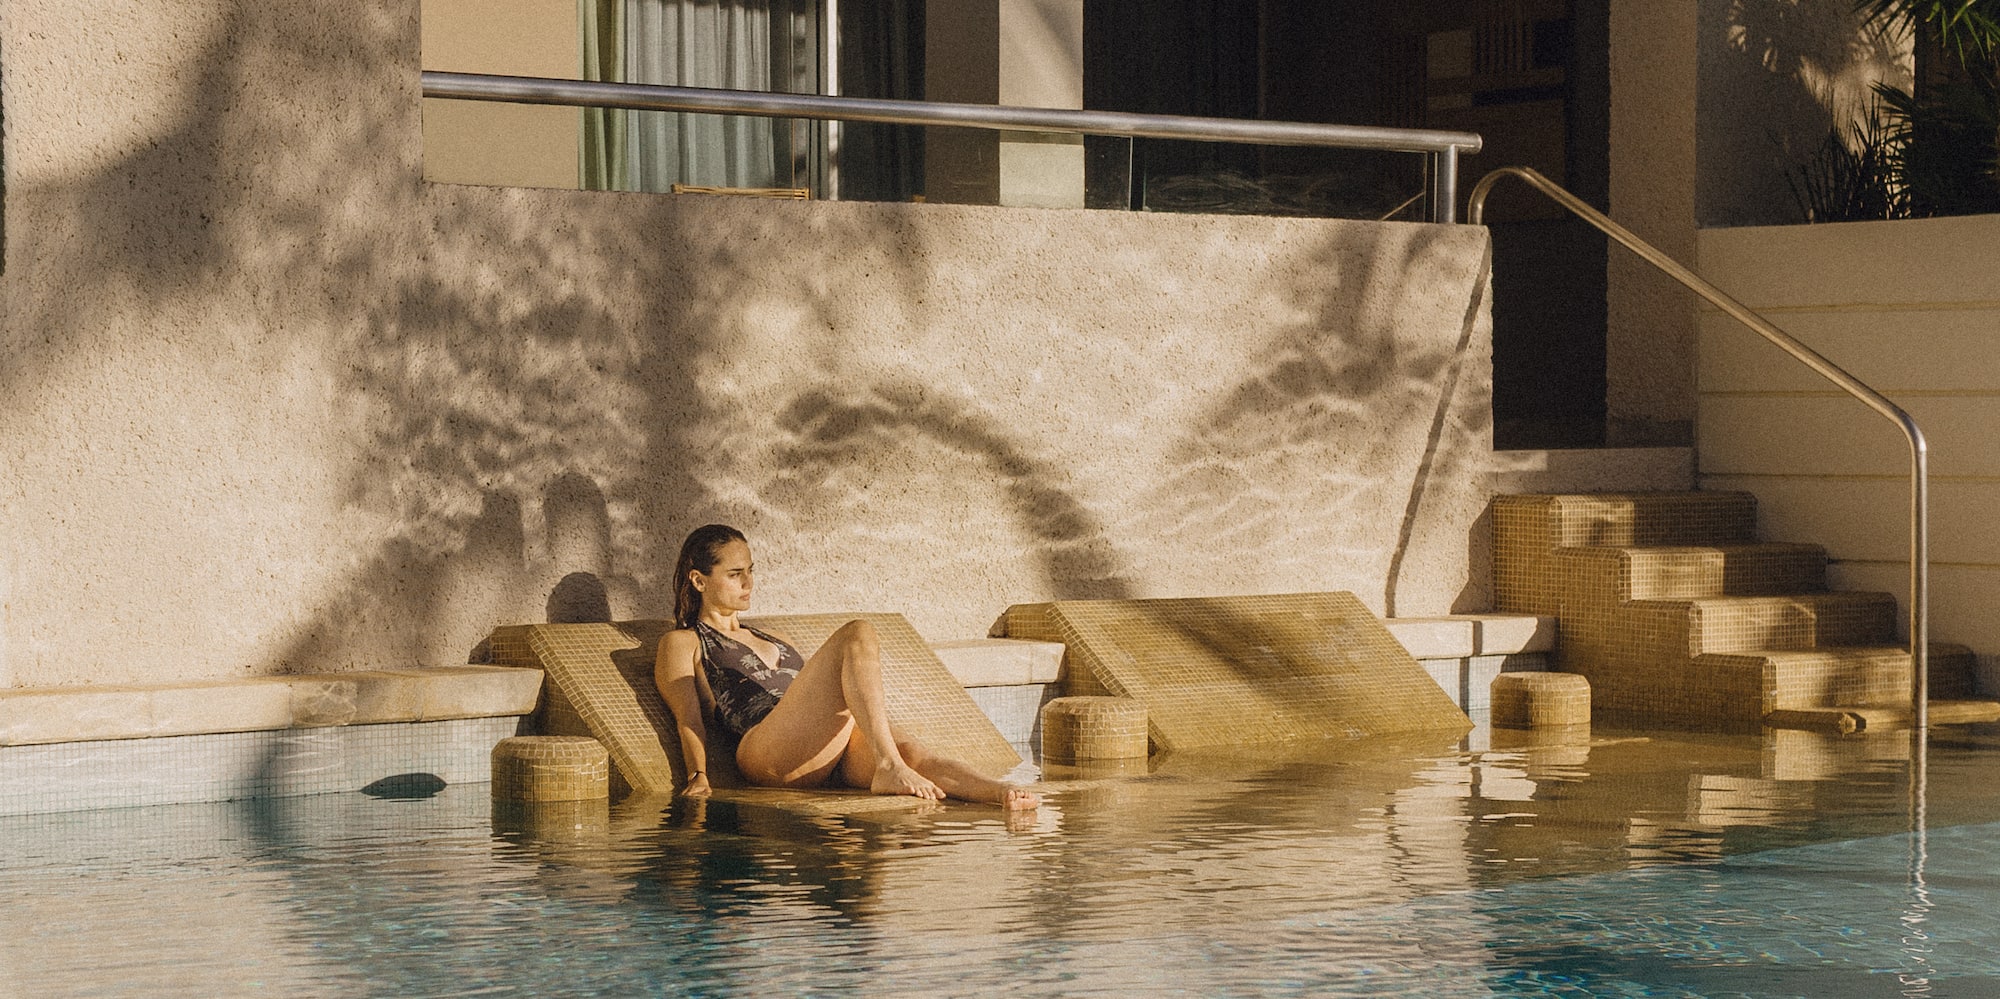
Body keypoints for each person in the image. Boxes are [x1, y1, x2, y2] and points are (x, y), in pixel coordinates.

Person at [654, 524, 1039, 810]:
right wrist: (698, 776)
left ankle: (998, 791)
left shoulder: (772, 638)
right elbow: (688, 719)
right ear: (699, 580)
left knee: (914, 755)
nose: (749, 582)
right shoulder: (684, 642)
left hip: (822, 748)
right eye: (735, 574)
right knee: (857, 633)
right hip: (765, 751)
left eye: (751, 570)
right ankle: (888, 765)